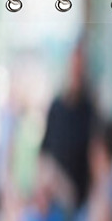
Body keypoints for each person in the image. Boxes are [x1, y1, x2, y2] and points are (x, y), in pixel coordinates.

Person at [41, 42, 96, 208]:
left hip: (81, 202)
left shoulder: (90, 109)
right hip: (56, 199)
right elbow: (44, 155)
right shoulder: (56, 107)